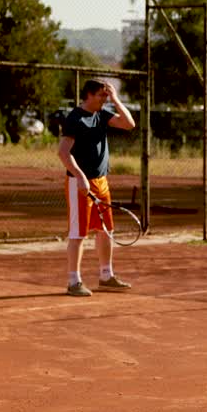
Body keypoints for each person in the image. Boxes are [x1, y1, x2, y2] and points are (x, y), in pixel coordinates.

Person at [56, 79, 137, 297]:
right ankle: (74, 281)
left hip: (101, 182)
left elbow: (129, 124)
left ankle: (106, 276)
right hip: (78, 182)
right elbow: (63, 152)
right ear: (89, 95)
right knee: (78, 233)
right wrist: (80, 177)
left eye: (106, 95)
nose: (104, 99)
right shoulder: (74, 118)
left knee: (106, 230)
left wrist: (116, 99)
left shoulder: (102, 115)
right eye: (102, 95)